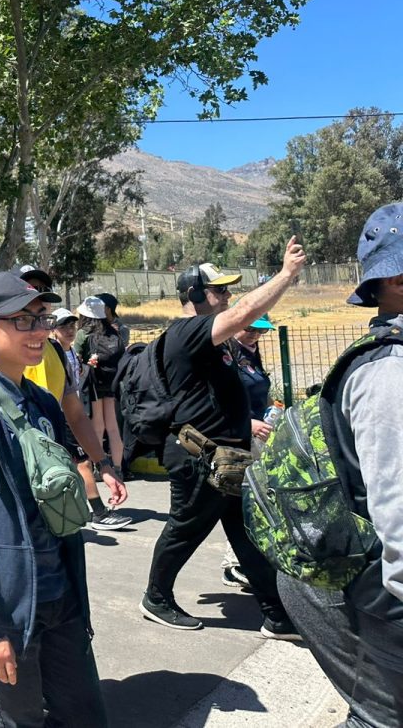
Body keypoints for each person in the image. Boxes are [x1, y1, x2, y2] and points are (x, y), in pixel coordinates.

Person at [0, 272, 107, 728]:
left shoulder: (40, 401)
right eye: (23, 321)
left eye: (42, 319)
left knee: (84, 714)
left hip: (60, 596)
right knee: (20, 720)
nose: (39, 332)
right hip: (7, 610)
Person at [275, 205, 403, 727]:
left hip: (358, 567)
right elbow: (398, 512)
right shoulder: (389, 374)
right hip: (334, 580)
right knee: (384, 717)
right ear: (397, 278)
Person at [141, 247, 306, 635]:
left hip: (226, 458)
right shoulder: (187, 332)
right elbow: (243, 314)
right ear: (195, 295)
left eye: (228, 291)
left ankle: (277, 616)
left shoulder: (213, 341)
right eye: (219, 291)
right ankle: (156, 597)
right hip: (198, 457)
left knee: (246, 532)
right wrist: (284, 276)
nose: (228, 297)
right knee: (185, 529)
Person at [17, 270, 131, 532]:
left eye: (43, 291)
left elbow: (76, 415)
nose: (37, 298)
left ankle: (95, 512)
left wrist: (104, 465)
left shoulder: (55, 351)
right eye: (29, 289)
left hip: (50, 461)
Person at [218, 312, 275, 589]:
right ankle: (233, 563)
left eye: (261, 331)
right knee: (244, 501)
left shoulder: (251, 353)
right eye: (251, 329)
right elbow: (220, 399)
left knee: (258, 499)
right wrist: (248, 422)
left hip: (259, 436)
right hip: (239, 437)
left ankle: (249, 558)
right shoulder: (226, 354)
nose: (255, 335)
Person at [73, 297, 125, 481]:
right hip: (111, 381)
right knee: (113, 427)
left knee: (98, 426)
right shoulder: (114, 331)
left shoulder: (83, 334)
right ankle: (118, 468)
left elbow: (76, 359)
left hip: (93, 382)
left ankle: (99, 467)